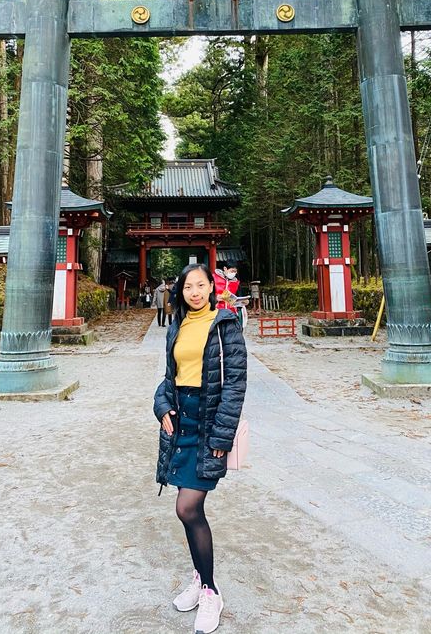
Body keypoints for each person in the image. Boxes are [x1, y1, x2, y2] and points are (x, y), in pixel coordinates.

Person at [153, 263, 247, 634]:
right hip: (181, 424)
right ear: (181, 290)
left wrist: (222, 438)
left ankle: (210, 591)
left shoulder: (225, 326)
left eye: (200, 285)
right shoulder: (176, 325)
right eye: (187, 286)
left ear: (212, 287)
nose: (194, 291)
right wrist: (161, 408)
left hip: (209, 423)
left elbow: (236, 385)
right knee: (188, 510)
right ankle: (200, 576)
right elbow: (168, 379)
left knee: (187, 506)